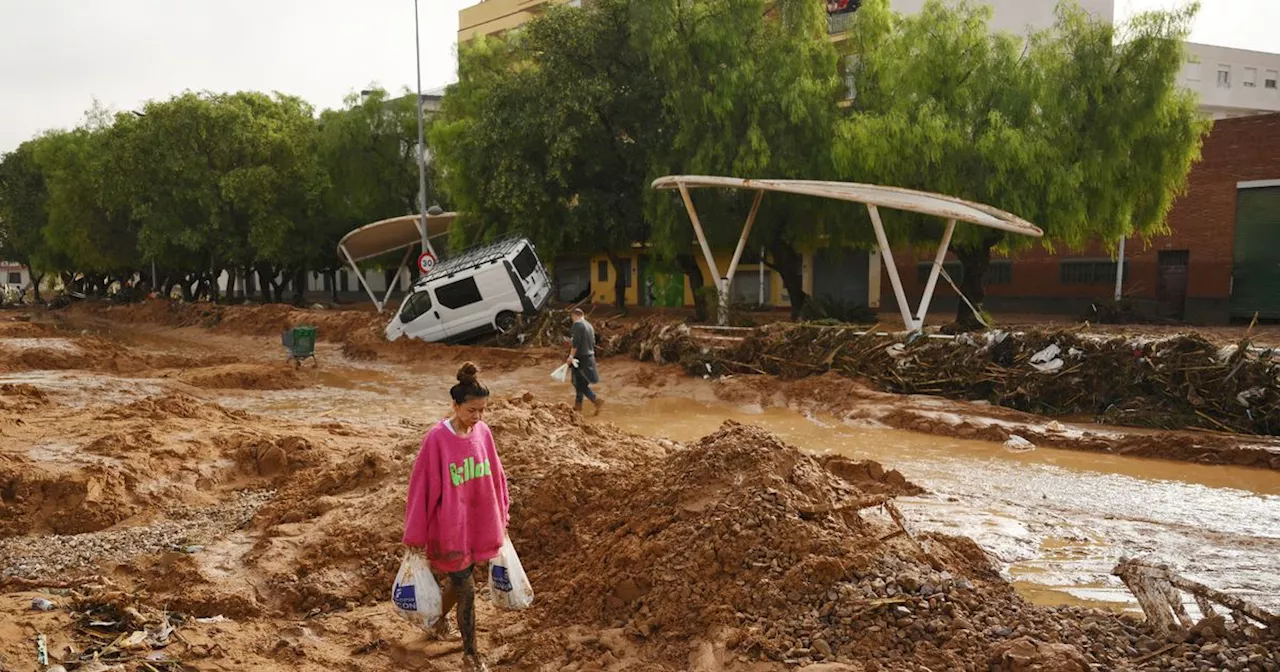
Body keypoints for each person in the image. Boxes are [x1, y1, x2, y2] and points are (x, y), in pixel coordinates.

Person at [403, 362, 508, 672]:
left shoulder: (483, 432)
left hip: (478, 524)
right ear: (455, 405)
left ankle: (436, 622)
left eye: (482, 410)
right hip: (449, 528)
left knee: (460, 581)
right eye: (471, 410)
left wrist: (502, 513)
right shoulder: (437, 439)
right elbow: (420, 488)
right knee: (467, 589)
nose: (477, 417)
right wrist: (415, 535)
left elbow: (496, 475)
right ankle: (471, 655)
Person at [567, 308, 603, 414]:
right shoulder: (589, 326)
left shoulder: (577, 325)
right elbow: (593, 342)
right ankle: (578, 406)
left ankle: (595, 400)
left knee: (577, 382)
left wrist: (571, 356)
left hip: (580, 358)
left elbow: (576, 343)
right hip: (590, 357)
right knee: (581, 382)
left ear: (574, 316)